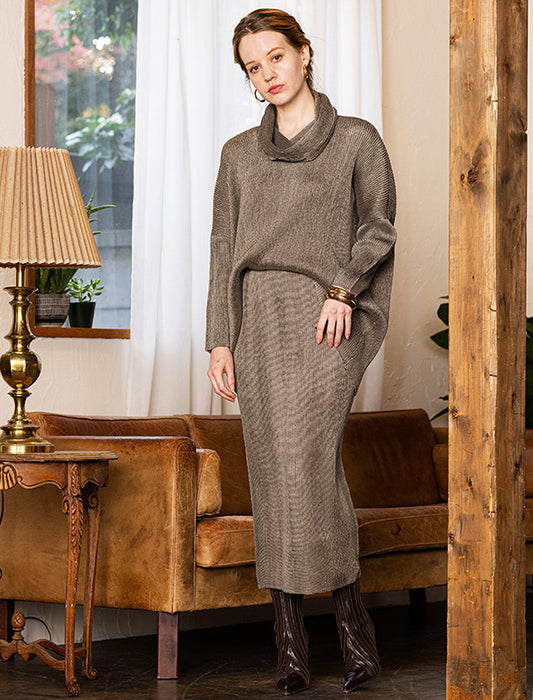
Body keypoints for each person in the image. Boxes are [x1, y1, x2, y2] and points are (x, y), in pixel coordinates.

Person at [205, 8, 397, 695]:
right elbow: (223, 250)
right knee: (271, 471)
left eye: (276, 57)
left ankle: (351, 634)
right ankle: (292, 649)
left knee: (307, 463)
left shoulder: (356, 139)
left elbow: (378, 227)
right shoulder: (238, 154)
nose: (268, 74)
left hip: (327, 318)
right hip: (257, 319)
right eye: (253, 67)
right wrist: (219, 339)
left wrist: (343, 290)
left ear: (304, 53)